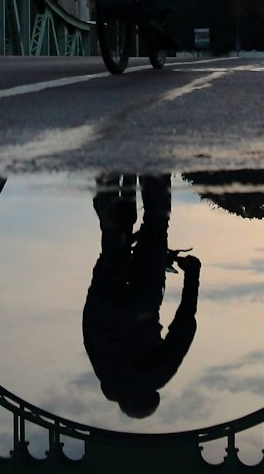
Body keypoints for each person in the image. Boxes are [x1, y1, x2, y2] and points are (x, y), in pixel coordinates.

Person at [82, 174, 201, 418]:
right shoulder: (104, 373)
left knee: (156, 226)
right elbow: (88, 332)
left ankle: (154, 169)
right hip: (101, 310)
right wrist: (97, 284)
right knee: (115, 248)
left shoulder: (156, 377)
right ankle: (115, 226)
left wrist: (192, 275)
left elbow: (184, 325)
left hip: (141, 308)